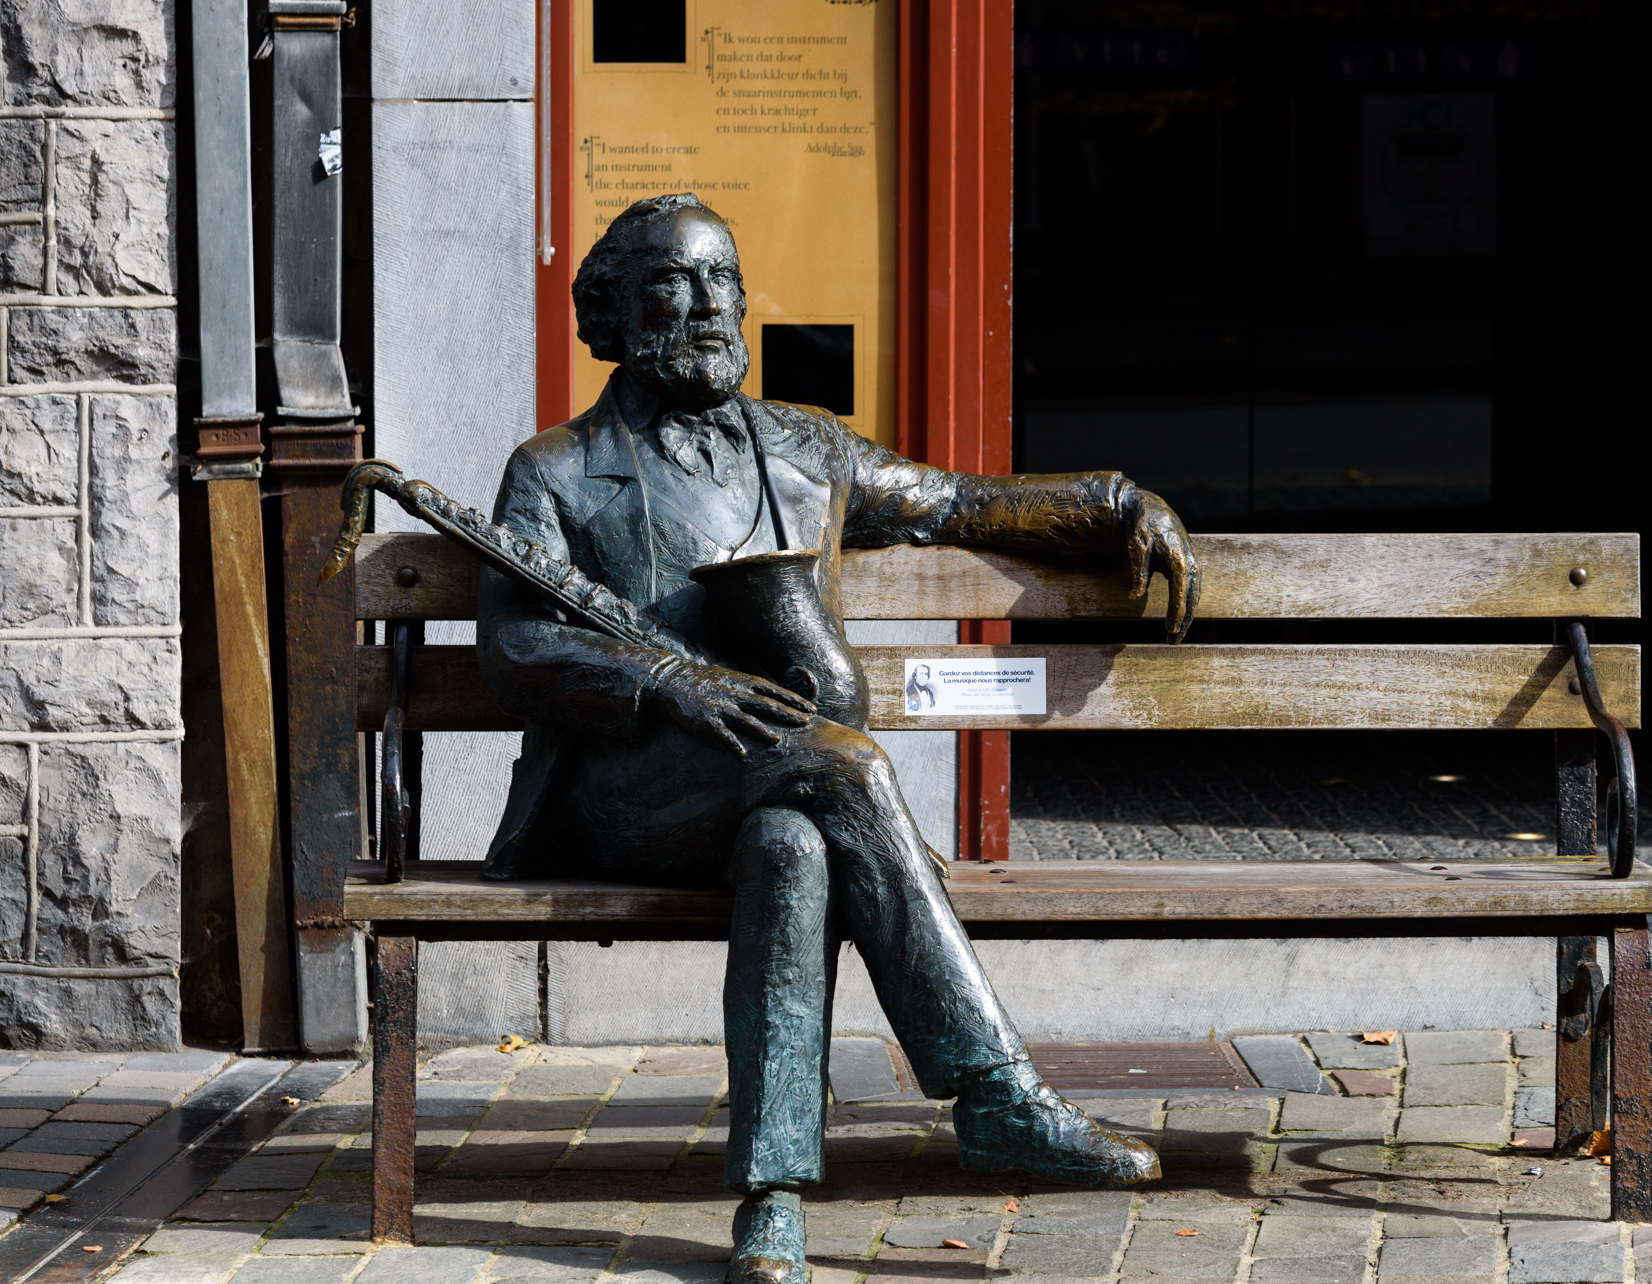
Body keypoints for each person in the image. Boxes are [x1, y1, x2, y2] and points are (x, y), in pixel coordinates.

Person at [475, 193, 1200, 1284]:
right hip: (628, 795)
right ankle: (997, 1095)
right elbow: (515, 646)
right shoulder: (556, 469)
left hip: (780, 785)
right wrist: (667, 681)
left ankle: (771, 1205)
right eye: (672, 282)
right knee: (847, 762)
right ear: (612, 316)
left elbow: (956, 504)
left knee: (793, 847)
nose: (708, 305)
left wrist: (1113, 503)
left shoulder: (804, 445)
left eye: (722, 279)